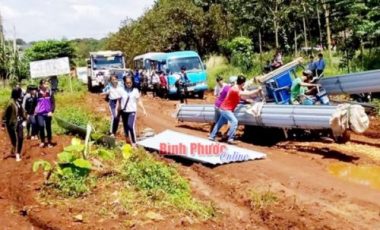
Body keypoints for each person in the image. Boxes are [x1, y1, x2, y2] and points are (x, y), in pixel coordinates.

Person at [209, 75, 262, 144]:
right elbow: (247, 93)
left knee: (220, 123)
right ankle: (230, 138)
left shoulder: (235, 87)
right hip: (226, 109)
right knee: (234, 121)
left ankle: (212, 136)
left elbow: (241, 97)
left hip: (223, 108)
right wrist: (257, 90)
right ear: (242, 83)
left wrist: (248, 100)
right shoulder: (236, 90)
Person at [119, 76, 147, 148]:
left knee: (130, 126)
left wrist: (143, 109)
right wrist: (117, 111)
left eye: (130, 82)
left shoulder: (135, 91)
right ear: (124, 83)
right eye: (127, 83)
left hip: (132, 111)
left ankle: (134, 143)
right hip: (124, 112)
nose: (129, 84)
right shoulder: (121, 90)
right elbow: (119, 101)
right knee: (125, 128)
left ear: (132, 82)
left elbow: (139, 101)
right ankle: (127, 140)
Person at [2, 87, 27, 161]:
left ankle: (18, 154)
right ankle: (13, 147)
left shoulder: (18, 101)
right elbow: (5, 115)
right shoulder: (10, 103)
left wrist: (24, 119)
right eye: (20, 93)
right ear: (17, 94)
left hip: (19, 122)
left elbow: (22, 111)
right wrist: (3, 124)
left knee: (21, 137)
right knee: (14, 140)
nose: (21, 94)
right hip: (11, 124)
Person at [35, 79, 55, 148]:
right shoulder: (37, 93)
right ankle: (42, 141)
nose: (46, 85)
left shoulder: (50, 92)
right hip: (40, 114)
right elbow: (34, 103)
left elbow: (53, 103)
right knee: (41, 126)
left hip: (48, 113)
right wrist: (34, 111)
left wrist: (51, 111)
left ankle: (49, 142)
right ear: (41, 85)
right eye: (44, 84)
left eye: (47, 84)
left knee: (48, 127)